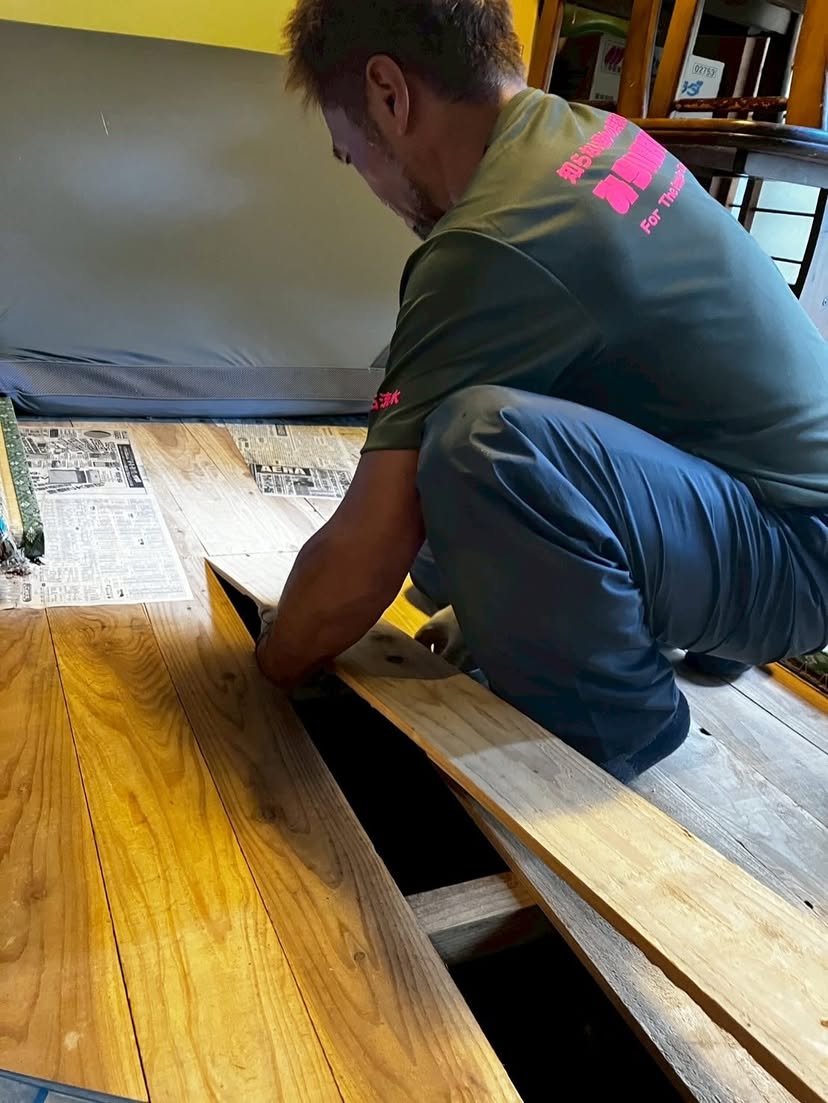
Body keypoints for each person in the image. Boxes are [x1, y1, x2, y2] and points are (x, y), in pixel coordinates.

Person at [257, 0, 828, 781]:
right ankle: (668, 625)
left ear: (389, 95)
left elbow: (365, 551)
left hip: (799, 554)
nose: (368, 181)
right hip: (771, 497)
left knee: (475, 442)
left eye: (348, 154)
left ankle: (619, 724)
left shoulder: (495, 235)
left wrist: (269, 663)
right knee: (438, 468)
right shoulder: (582, 134)